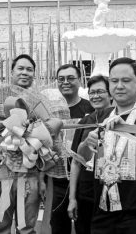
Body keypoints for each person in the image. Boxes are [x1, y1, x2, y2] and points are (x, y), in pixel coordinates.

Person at [83, 58, 136, 234]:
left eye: (126, 80)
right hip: (103, 211)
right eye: (114, 81)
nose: (119, 86)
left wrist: (128, 129)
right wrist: (87, 143)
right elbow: (82, 156)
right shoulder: (100, 116)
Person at [0, 53, 42, 234]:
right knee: (2, 225)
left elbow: (47, 137)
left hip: (31, 172)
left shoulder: (40, 101)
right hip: (3, 170)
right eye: (20, 68)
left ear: (34, 74)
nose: (25, 72)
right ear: (12, 72)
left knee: (27, 227)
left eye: (29, 69)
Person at [51, 64, 95, 234]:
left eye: (70, 78)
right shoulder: (51, 109)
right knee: (58, 225)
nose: (65, 82)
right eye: (61, 79)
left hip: (85, 179)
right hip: (58, 178)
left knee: (86, 226)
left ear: (80, 81)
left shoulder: (90, 108)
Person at [68, 75, 113, 234]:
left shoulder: (119, 120)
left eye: (100, 91)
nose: (95, 96)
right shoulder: (85, 121)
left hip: (111, 192)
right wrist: (72, 198)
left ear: (111, 94)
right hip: (85, 191)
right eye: (91, 92)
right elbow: (76, 161)